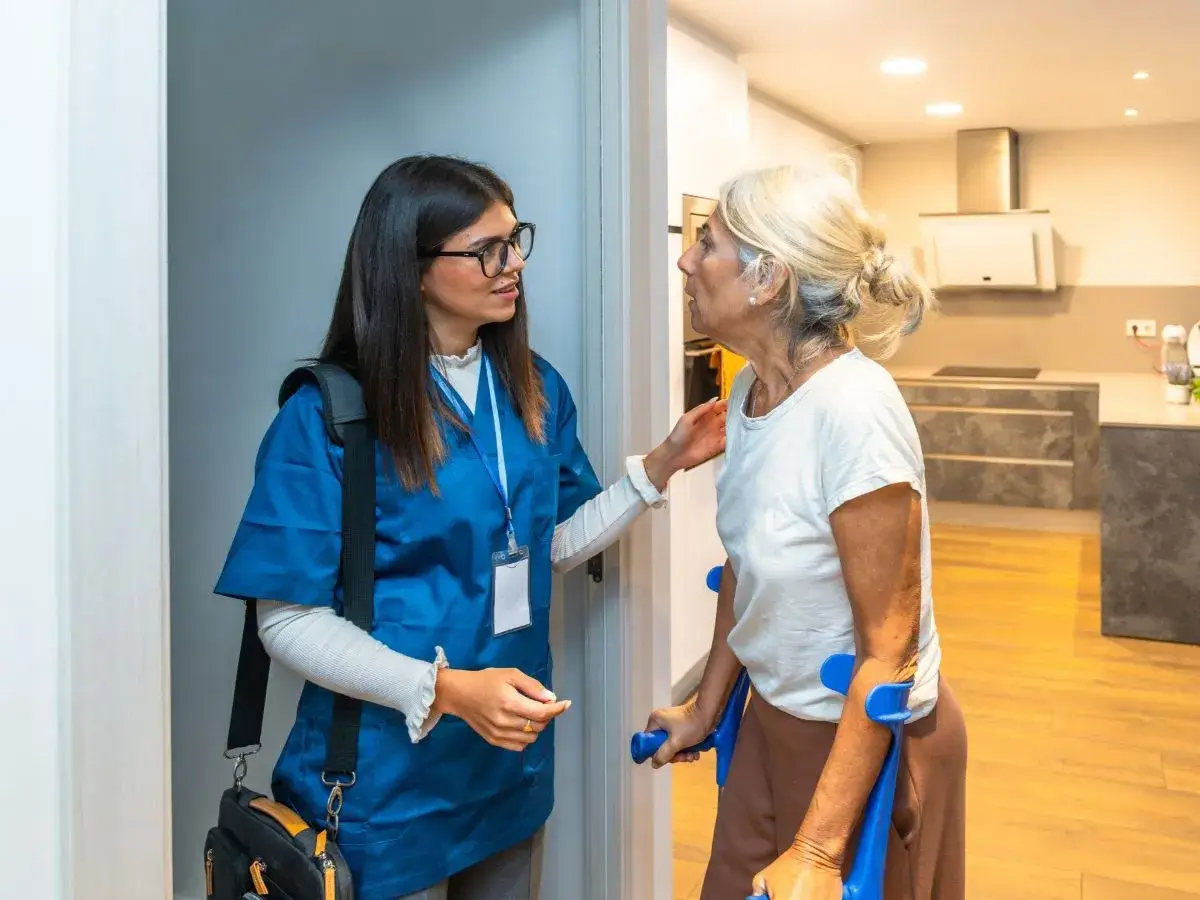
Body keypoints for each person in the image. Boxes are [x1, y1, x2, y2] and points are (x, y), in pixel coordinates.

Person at [213, 154, 727, 900]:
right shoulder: (329, 414)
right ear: (412, 270)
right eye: (487, 249)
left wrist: (660, 467)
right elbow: (287, 620)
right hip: (385, 784)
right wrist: (447, 690)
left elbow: (546, 544)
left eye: (515, 239)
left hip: (503, 769)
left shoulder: (533, 387)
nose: (512, 263)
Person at [644, 159, 967, 900]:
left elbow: (891, 650)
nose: (686, 258)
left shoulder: (855, 412)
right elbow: (744, 572)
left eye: (708, 242)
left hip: (871, 747)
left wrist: (819, 852)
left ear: (767, 280)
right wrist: (706, 708)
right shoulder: (752, 390)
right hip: (772, 720)